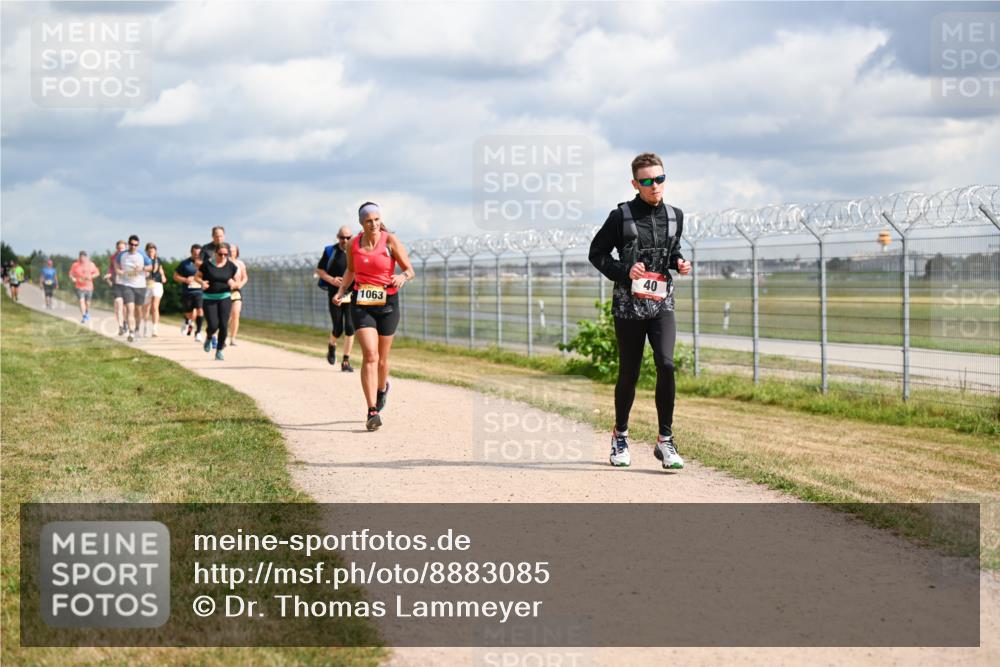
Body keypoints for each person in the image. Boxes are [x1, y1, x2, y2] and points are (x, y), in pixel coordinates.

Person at [588, 152, 692, 470]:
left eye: (659, 179)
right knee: (629, 373)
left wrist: (679, 262)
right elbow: (597, 253)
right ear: (635, 184)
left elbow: (672, 250)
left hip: (662, 303)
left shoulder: (675, 216)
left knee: (666, 364)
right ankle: (620, 435)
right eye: (646, 181)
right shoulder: (620, 216)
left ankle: (665, 440)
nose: (654, 185)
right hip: (628, 305)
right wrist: (624, 271)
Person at [333, 202, 415, 431]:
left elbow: (410, 270)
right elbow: (351, 270)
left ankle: (381, 390)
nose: (374, 224)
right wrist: (341, 291)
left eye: (377, 219)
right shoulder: (353, 244)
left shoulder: (390, 241)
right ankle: (371, 411)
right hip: (362, 303)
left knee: (382, 359)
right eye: (369, 221)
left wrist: (402, 277)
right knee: (370, 354)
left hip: (388, 303)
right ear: (362, 223)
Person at [317, 225, 356, 371]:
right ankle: (332, 345)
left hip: (352, 293)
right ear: (337, 237)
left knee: (350, 327)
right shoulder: (330, 251)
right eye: (342, 237)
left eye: (348, 237)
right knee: (338, 328)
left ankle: (346, 361)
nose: (345, 240)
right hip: (335, 294)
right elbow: (319, 270)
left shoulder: (356, 251)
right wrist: (332, 280)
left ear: (352, 237)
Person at [193, 242, 237, 361]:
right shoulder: (207, 265)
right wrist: (202, 282)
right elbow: (196, 277)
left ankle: (219, 350)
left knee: (223, 325)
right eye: (220, 254)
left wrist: (233, 283)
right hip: (209, 298)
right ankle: (209, 337)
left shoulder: (231, 266)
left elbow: (236, 281)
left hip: (225, 297)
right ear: (215, 253)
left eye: (225, 254)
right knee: (213, 325)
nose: (223, 256)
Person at [115, 234, 152, 343]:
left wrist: (142, 268)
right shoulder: (122, 255)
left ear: (138, 245)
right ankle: (131, 332)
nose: (133, 246)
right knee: (130, 309)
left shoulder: (142, 255)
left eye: (135, 245)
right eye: (131, 244)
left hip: (140, 286)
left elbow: (151, 267)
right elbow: (116, 264)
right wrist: (119, 271)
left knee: (138, 311)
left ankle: (136, 329)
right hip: (127, 285)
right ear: (128, 244)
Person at [174, 244, 205, 341]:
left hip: (199, 291)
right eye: (195, 253)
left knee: (200, 310)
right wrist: (185, 279)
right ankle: (187, 321)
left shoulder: (204, 264)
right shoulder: (185, 263)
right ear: (191, 252)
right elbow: (175, 276)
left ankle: (198, 332)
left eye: (198, 253)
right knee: (189, 313)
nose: (197, 255)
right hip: (187, 292)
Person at [142, 243, 167, 337]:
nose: (151, 252)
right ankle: (145, 327)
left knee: (155, 307)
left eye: (152, 251)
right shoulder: (143, 260)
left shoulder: (158, 260)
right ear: (146, 251)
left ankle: (154, 329)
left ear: (155, 251)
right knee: (146, 307)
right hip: (147, 284)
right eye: (149, 251)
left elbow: (160, 269)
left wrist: (163, 276)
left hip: (157, 284)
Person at [68, 251, 100, 323]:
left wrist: (91, 276)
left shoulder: (91, 264)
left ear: (86, 257)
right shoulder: (75, 265)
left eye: (83, 257)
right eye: (80, 257)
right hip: (79, 286)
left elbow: (97, 273)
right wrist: (73, 278)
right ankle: (84, 316)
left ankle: (87, 312)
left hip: (89, 287)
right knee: (81, 301)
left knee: (87, 303)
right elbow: (71, 274)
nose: (81, 259)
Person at [226, 244, 249, 346]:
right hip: (225, 291)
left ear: (237, 252)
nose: (231, 252)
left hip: (236, 291)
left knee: (235, 314)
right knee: (226, 316)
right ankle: (221, 335)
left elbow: (245, 277)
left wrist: (240, 284)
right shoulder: (224, 263)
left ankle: (233, 338)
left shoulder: (240, 264)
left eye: (233, 251)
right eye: (230, 251)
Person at [105, 240, 128, 335]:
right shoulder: (113, 257)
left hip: (127, 284)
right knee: (118, 304)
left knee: (125, 307)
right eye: (118, 248)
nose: (120, 250)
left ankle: (125, 322)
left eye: (122, 248)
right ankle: (120, 326)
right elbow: (111, 268)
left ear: (125, 248)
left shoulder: (130, 257)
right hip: (117, 283)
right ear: (116, 248)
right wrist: (109, 275)